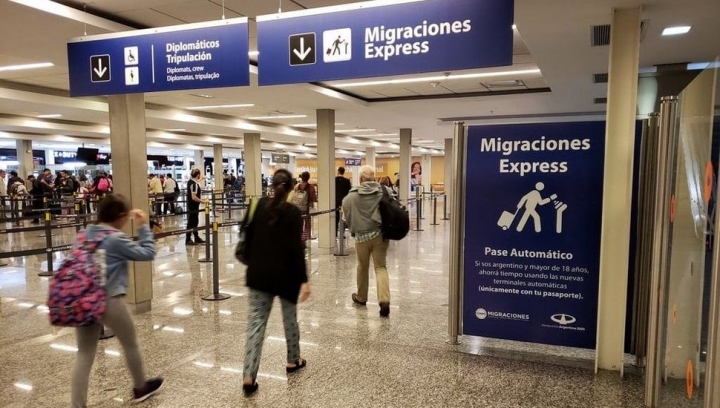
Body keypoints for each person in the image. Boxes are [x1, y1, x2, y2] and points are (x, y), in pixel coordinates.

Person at [70, 194, 163, 407]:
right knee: (130, 344)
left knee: (84, 354)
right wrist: (142, 226)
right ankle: (141, 387)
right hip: (110, 300)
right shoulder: (114, 238)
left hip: (83, 299)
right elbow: (147, 253)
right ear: (121, 216)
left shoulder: (82, 236)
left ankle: (77, 404)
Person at [241, 169, 311, 395]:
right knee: (290, 319)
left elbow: (247, 239)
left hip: (259, 274)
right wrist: (304, 280)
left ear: (271, 185)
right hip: (286, 277)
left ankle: (249, 376)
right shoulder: (293, 213)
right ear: (292, 187)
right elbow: (297, 249)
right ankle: (293, 360)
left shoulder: (257, 205)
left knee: (256, 325)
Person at [342, 165, 391, 318]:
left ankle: (361, 297)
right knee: (381, 267)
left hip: (362, 238)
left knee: (362, 267)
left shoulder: (351, 197)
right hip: (380, 236)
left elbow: (347, 218)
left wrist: (353, 228)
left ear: (361, 179)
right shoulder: (385, 191)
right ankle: (384, 300)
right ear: (374, 178)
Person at [186, 168, 208, 245]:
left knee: (194, 222)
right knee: (192, 222)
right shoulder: (194, 185)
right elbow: (194, 197)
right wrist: (203, 201)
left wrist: (202, 179)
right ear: (198, 175)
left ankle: (196, 237)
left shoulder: (190, 182)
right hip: (193, 206)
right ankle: (188, 239)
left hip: (191, 205)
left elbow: (196, 182)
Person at [293, 172, 317, 241]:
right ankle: (304, 237)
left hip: (297, 208)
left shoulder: (297, 186)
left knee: (300, 223)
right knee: (307, 224)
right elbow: (313, 198)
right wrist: (312, 204)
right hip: (306, 208)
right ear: (308, 178)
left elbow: (294, 196)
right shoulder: (311, 187)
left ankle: (299, 236)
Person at [335, 167, 352, 236]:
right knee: (342, 217)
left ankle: (335, 233)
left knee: (335, 217)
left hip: (335, 202)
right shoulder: (347, 181)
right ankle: (342, 233)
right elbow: (349, 192)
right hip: (343, 202)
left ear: (338, 171)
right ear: (343, 172)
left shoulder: (334, 180)